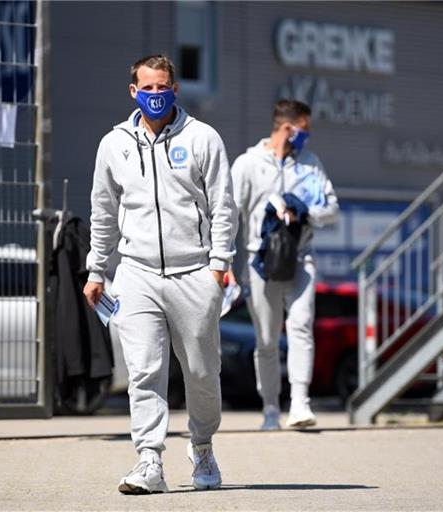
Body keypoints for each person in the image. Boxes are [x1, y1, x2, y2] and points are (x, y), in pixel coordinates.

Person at [83, 55, 237, 494]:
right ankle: (149, 460)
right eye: (147, 88)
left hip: (195, 274)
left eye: (163, 87)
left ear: (175, 89)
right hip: (136, 274)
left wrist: (219, 266)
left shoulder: (203, 138)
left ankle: (203, 447)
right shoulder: (114, 144)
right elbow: (103, 212)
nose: (155, 95)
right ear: (133, 91)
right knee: (144, 371)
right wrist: (97, 269)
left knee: (203, 374)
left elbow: (223, 206)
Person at [229, 99, 339, 430]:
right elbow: (229, 214)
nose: (308, 137)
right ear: (288, 128)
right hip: (259, 261)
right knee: (265, 338)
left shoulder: (311, 164)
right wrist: (224, 261)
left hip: (300, 258)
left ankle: (301, 404)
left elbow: (331, 208)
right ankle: (270, 409)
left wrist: (306, 212)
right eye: (305, 130)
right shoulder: (247, 164)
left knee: (301, 324)